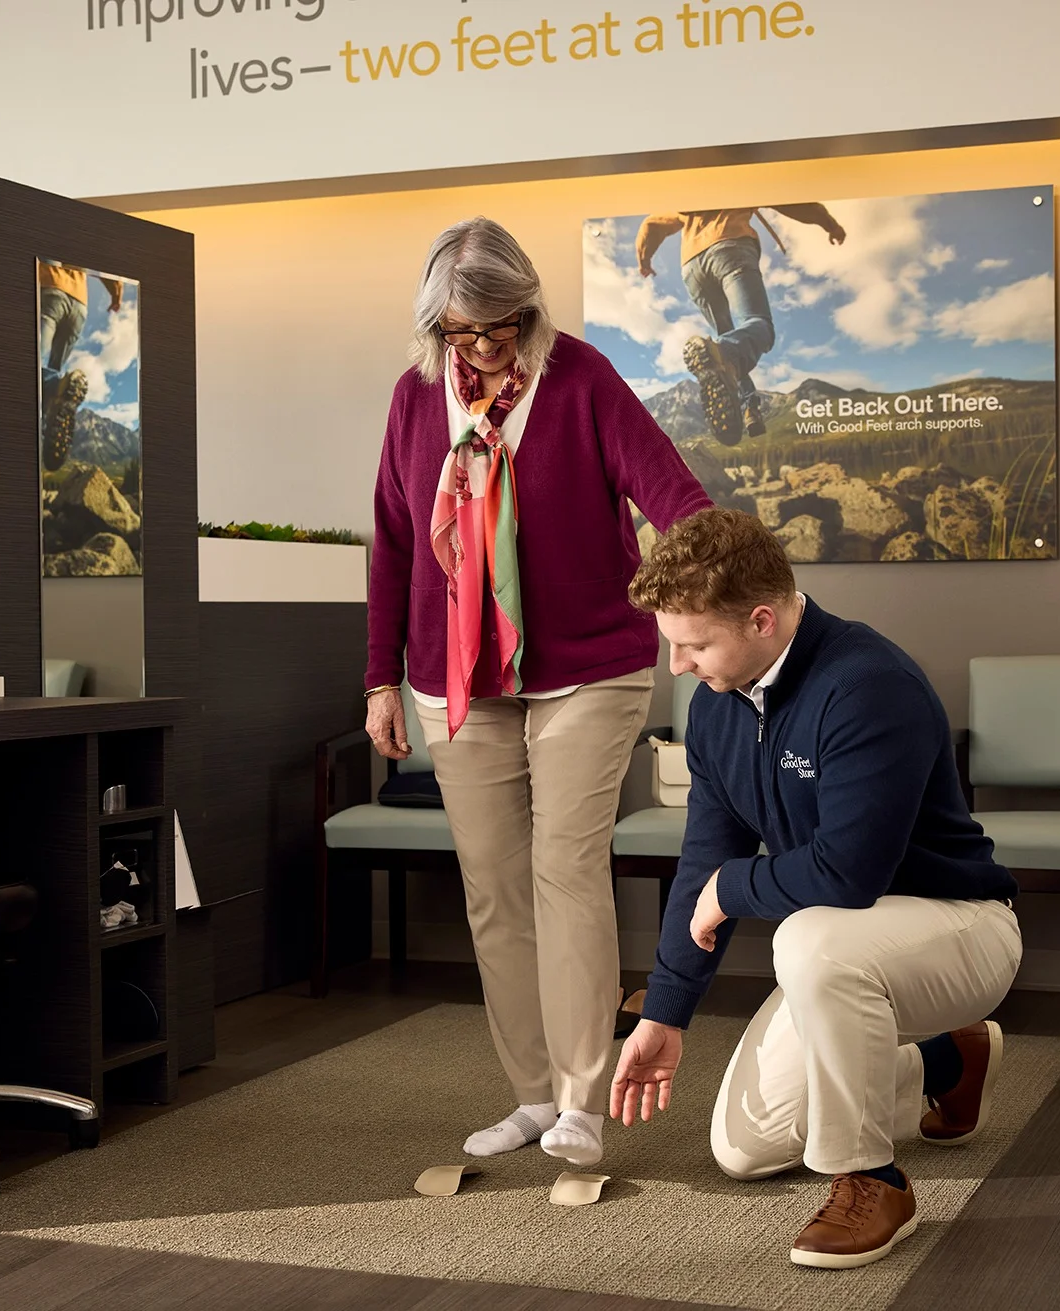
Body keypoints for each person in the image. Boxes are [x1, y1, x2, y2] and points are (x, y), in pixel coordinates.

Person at [365, 217, 715, 1170]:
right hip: (455, 680)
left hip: (590, 669)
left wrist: (724, 572)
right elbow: (395, 543)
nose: (483, 347)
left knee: (565, 873)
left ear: (531, 310)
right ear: (435, 325)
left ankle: (582, 1100)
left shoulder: (583, 380)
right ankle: (529, 1095)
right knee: (492, 890)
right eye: (461, 332)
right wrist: (379, 679)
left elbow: (672, 492)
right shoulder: (412, 401)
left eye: (502, 325)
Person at [610, 507, 1022, 1269]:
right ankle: (946, 1061)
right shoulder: (714, 711)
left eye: (692, 644)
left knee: (805, 936)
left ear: (761, 620)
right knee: (743, 1147)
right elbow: (705, 862)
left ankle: (872, 1178)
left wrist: (735, 887)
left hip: (959, 924)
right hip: (845, 946)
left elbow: (847, 871)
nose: (677, 665)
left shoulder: (869, 684)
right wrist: (666, 1010)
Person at [635, 206, 845, 442]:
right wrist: (830, 224)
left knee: (727, 344)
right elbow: (791, 202)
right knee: (758, 326)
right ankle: (735, 375)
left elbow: (650, 225)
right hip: (729, 247)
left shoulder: (690, 195)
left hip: (692, 267)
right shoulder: (738, 182)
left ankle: (749, 407)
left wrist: (644, 260)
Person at [37, 261, 122, 470]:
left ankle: (55, 388)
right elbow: (103, 263)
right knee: (53, 382)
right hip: (79, 305)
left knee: (33, 364)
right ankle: (47, 422)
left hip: (51, 287)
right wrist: (116, 295)